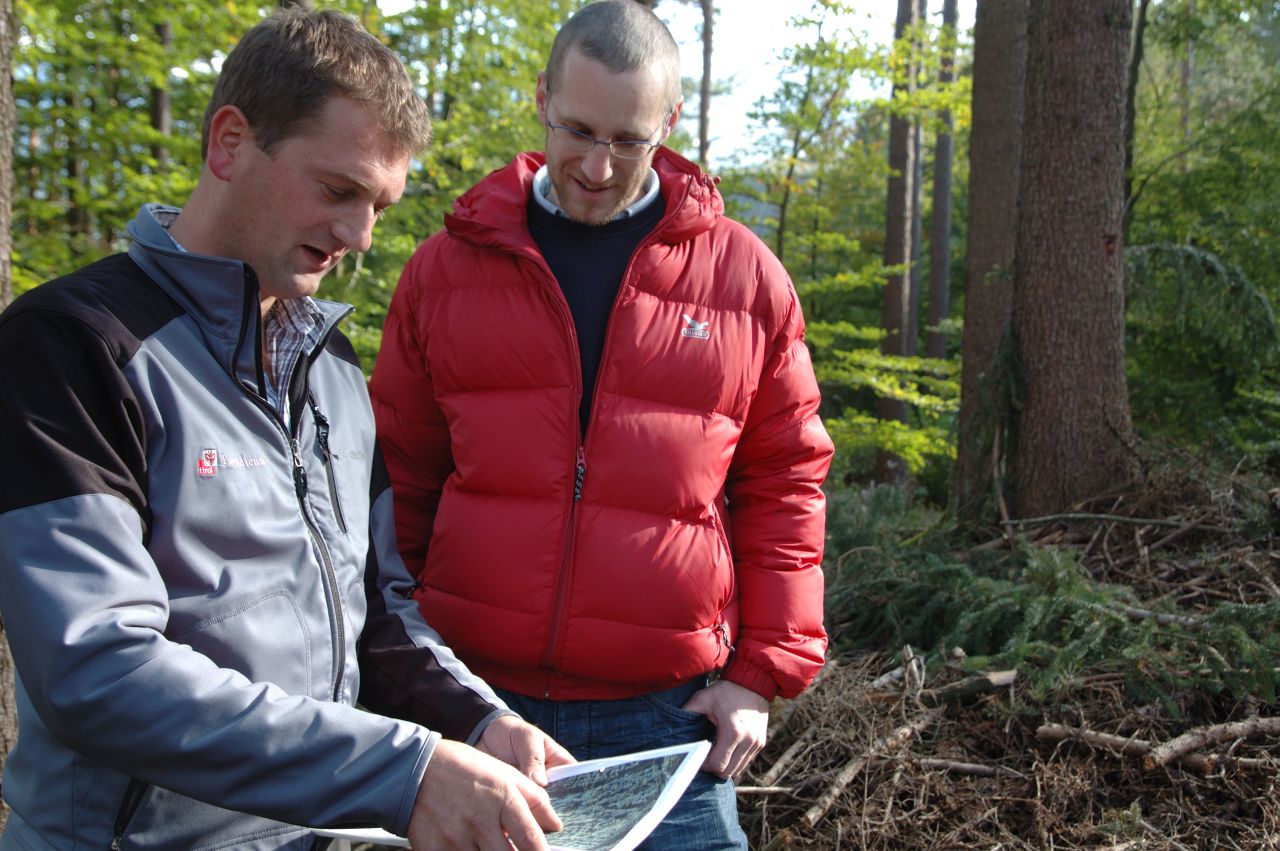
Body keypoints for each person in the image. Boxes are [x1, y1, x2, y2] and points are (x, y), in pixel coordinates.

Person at [0, 9, 572, 851]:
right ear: (229, 142)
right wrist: (401, 770)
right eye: (339, 190)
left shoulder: (334, 367)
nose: (359, 236)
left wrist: (479, 722)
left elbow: (381, 613)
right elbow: (95, 669)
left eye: (378, 204)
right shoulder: (74, 346)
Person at [368, 1, 834, 847]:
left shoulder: (744, 280)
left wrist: (761, 676)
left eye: (628, 140)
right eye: (577, 129)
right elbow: (396, 482)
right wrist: (403, 673)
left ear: (671, 122)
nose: (595, 164)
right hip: (476, 707)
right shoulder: (446, 269)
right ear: (542, 96)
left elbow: (786, 484)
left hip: (663, 718)